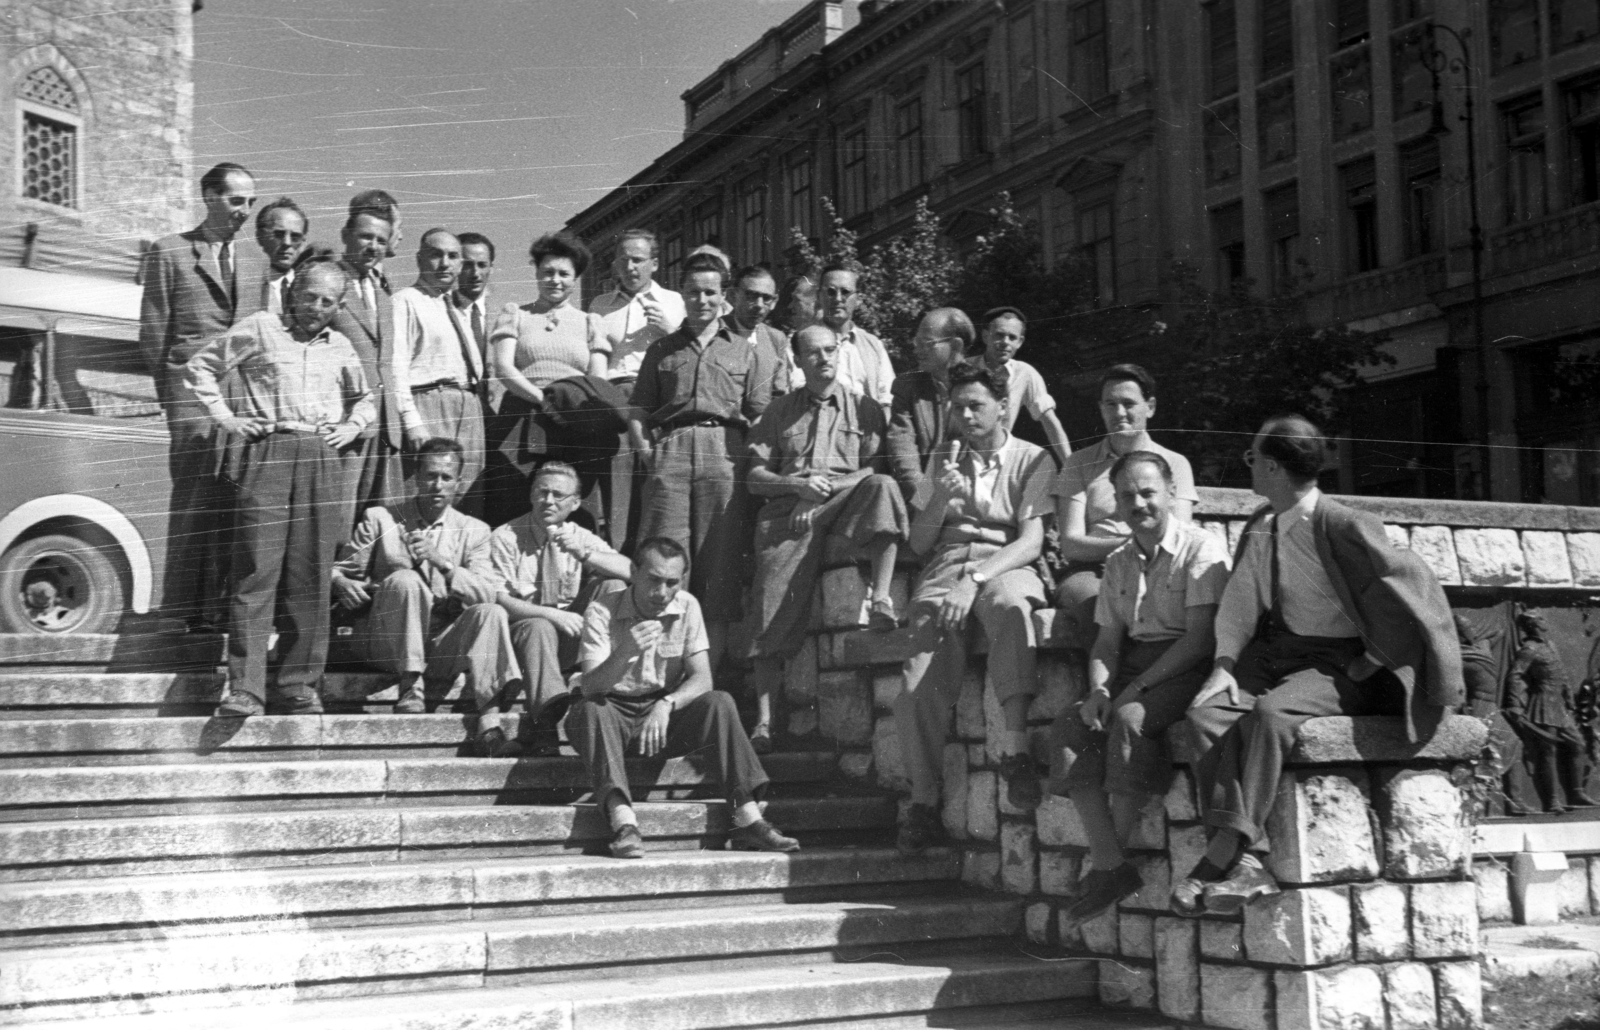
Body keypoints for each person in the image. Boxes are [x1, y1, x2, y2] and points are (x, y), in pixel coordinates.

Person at [1174, 415, 1464, 915]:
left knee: (1271, 717)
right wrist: (1223, 665)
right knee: (1207, 715)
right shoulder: (1263, 525)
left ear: (1271, 467)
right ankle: (1249, 862)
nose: (1250, 469)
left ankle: (1223, 856)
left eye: (1252, 459)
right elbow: (1242, 603)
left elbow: (1414, 587)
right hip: (1279, 655)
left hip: (1339, 665)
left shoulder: (1346, 523)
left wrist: (1371, 661)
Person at [187, 259, 374, 717]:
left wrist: (352, 427)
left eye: (328, 301)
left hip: (320, 458)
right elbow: (200, 368)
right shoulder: (261, 327)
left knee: (310, 574)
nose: (316, 307)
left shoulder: (342, 346)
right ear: (292, 290)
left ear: (339, 306)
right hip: (268, 451)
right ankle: (246, 689)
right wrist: (229, 419)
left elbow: (366, 400)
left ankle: (298, 685)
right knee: (256, 568)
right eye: (309, 296)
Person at [1048, 451, 1229, 924]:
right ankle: (1111, 863)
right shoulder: (1119, 561)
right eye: (1127, 496)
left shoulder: (1201, 548)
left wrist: (1134, 692)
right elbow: (1108, 640)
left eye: (1148, 492)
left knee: (1131, 721)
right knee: (1071, 725)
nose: (1139, 503)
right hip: (1134, 666)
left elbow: (1200, 638)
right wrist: (1100, 692)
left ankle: (1110, 865)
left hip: (1188, 666)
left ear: (1170, 493)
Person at [892, 364, 1055, 855]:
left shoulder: (1033, 459)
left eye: (975, 406)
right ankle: (924, 802)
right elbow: (920, 542)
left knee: (1013, 608)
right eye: (957, 407)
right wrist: (939, 495)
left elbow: (1031, 540)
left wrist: (976, 581)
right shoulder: (944, 455)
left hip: (1003, 561)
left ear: (1003, 406)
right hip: (944, 567)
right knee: (915, 683)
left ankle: (1017, 750)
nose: (965, 416)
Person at [567, 537, 800, 859]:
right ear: (633, 571)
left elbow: (702, 678)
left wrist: (667, 704)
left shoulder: (687, 605)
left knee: (719, 701)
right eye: (653, 580)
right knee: (590, 709)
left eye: (671, 583)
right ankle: (624, 824)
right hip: (610, 712)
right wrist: (625, 653)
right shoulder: (601, 610)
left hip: (659, 715)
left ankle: (748, 819)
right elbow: (592, 687)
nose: (661, 593)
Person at [746, 325, 909, 750]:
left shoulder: (866, 409)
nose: (823, 359)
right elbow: (755, 477)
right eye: (812, 353)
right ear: (797, 362)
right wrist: (796, 488)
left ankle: (880, 599)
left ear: (840, 352)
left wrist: (822, 491)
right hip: (789, 513)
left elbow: (874, 470)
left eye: (830, 350)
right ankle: (764, 720)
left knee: (885, 490)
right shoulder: (779, 411)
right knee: (770, 600)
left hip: (843, 503)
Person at [629, 253, 777, 670]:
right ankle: (658, 669)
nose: (701, 300)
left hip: (724, 451)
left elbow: (761, 414)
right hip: (671, 451)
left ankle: (709, 675)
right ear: (682, 295)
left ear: (725, 296)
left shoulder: (746, 352)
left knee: (720, 560)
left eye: (710, 292)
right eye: (693, 292)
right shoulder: (661, 350)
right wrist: (649, 456)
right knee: (664, 559)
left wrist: (749, 458)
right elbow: (639, 412)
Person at [331, 438, 520, 741]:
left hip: (440, 642)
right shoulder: (381, 519)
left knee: (492, 612)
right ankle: (411, 687)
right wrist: (341, 582)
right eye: (430, 476)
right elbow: (340, 570)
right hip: (387, 641)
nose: (437, 485)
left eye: (446, 477)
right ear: (416, 478)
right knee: (406, 579)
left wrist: (443, 563)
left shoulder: (475, 530)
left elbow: (486, 592)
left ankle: (490, 721)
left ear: (459, 483)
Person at [138, 160, 258, 633]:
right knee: (191, 502)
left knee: (233, 502)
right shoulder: (170, 252)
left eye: (251, 202)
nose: (245, 212)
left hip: (241, 401)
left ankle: (216, 613)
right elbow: (153, 334)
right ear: (208, 196)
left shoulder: (256, 262)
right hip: (191, 400)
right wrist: (174, 400)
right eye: (236, 201)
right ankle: (178, 613)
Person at [489, 463, 632, 755]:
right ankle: (545, 725)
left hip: (569, 638)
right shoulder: (505, 536)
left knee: (613, 585)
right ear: (531, 495)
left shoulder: (577, 534)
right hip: (523, 639)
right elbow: (499, 600)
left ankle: (607, 686)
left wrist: (585, 553)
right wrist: (554, 614)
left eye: (558, 495)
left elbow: (632, 571)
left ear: (576, 503)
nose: (549, 501)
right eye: (542, 492)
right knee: (539, 627)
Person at [1052, 364, 1198, 649]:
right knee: (1097, 605)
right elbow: (1071, 544)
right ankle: (1107, 689)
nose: (1119, 413)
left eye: (1129, 403)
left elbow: (1180, 536)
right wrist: (1134, 544)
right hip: (1092, 570)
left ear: (1150, 406)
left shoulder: (1175, 464)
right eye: (1111, 404)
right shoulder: (1079, 463)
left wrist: (1135, 550)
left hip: (1157, 567)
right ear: (1101, 408)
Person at [488, 232, 618, 519]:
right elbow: (503, 368)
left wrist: (569, 410)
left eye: (563, 273)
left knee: (571, 503)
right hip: (522, 417)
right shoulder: (516, 314)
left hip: (574, 423)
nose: (555, 280)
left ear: (575, 278)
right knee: (515, 501)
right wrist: (543, 401)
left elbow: (598, 381)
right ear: (536, 273)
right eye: (547, 272)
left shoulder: (590, 322)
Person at [391, 228, 488, 508]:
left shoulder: (457, 308)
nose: (445, 263)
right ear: (419, 259)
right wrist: (412, 422)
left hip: (467, 409)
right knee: (429, 496)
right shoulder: (406, 301)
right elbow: (397, 368)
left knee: (468, 498)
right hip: (430, 405)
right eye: (436, 255)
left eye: (453, 256)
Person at [328, 203, 401, 523]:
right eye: (365, 236)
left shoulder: (383, 288)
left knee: (375, 517)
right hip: (347, 417)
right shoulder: (328, 280)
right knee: (339, 514)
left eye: (381, 241)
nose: (373, 246)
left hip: (385, 420)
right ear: (346, 235)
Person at [1505, 609, 1599, 813]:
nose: (1545, 621)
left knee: (1578, 744)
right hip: (1542, 704)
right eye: (1540, 619)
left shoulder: (1550, 645)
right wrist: (1514, 702)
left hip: (1560, 705)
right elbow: (1516, 675)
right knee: (1548, 752)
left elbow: (1562, 674)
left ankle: (1576, 793)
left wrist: (1567, 697)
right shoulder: (1529, 649)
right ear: (1534, 624)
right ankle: (1552, 800)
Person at [887, 308, 970, 508]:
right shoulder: (907, 386)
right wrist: (926, 501)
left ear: (956, 345)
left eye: (927, 343)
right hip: (919, 499)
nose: (917, 350)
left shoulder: (982, 390)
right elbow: (902, 452)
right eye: (917, 342)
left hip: (967, 498)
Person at [975, 307, 1071, 467]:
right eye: (999, 335)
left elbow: (1050, 422)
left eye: (1012, 337)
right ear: (985, 336)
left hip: (997, 460)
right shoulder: (965, 368)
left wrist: (1071, 467)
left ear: (1020, 342)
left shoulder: (1025, 373)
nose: (1005, 342)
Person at [590, 228, 686, 389]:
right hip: (614, 391)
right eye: (623, 260)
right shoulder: (600, 305)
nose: (629, 267)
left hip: (659, 390)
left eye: (637, 260)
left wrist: (668, 329)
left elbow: (691, 353)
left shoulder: (675, 301)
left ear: (654, 264)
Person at [817, 264, 894, 408]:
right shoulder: (803, 343)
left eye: (845, 292)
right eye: (830, 292)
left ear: (858, 299)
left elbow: (887, 397)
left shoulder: (873, 345)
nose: (838, 298)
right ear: (819, 296)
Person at [727, 265, 794, 396]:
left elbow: (778, 392)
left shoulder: (776, 339)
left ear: (774, 302)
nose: (759, 304)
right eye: (751, 296)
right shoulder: (716, 332)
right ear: (733, 296)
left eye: (766, 298)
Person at [250, 197, 307, 316]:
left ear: (303, 241)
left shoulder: (308, 286)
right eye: (279, 234)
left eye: (295, 237)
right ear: (260, 237)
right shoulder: (248, 286)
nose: (287, 243)